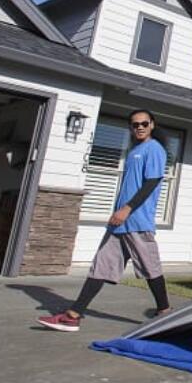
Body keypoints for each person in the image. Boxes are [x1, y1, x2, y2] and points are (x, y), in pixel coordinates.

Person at [38, 109, 171, 332]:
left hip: (137, 220)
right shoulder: (135, 150)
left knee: (150, 267)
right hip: (119, 222)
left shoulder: (154, 149)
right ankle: (73, 315)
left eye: (144, 123)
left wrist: (127, 209)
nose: (139, 127)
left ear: (152, 125)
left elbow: (152, 182)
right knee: (100, 266)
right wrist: (119, 213)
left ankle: (165, 312)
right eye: (135, 124)